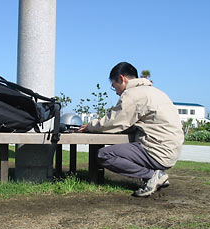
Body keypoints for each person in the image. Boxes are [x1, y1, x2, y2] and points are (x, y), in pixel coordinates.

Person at [78, 62, 184, 197]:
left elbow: (113, 122)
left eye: (114, 86)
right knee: (116, 147)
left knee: (104, 155)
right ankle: (155, 175)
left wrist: (90, 126)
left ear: (122, 79)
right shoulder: (155, 92)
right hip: (170, 149)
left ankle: (152, 176)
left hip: (157, 151)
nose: (116, 92)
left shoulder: (133, 94)